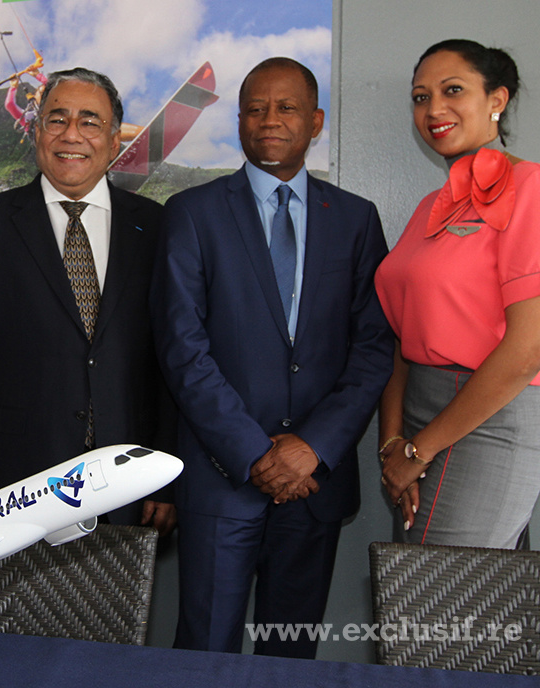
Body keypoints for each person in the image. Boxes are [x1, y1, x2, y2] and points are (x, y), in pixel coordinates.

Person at [150, 57, 392, 658]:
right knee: (205, 652)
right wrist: (255, 453)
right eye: (254, 109)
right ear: (238, 121)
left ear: (316, 120)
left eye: (286, 108)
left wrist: (313, 448)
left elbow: (373, 347)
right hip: (222, 478)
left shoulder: (356, 220)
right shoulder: (192, 213)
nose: (269, 120)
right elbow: (183, 348)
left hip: (315, 484)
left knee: (293, 655)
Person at [0, 67, 175, 532]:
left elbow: (168, 363)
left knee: (112, 606)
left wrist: (164, 481)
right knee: (10, 609)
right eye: (57, 119)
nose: (72, 135)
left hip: (126, 480)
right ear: (37, 130)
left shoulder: (155, 226)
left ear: (113, 137)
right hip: (11, 487)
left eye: (90, 121)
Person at [376, 40, 540, 548]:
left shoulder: (531, 189)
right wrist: (392, 442)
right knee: (420, 596)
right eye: (420, 97)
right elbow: (404, 338)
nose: (433, 109)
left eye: (453, 91)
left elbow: (527, 350)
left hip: (491, 416)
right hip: (419, 418)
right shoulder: (431, 205)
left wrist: (418, 453)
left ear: (497, 99)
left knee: (437, 609)